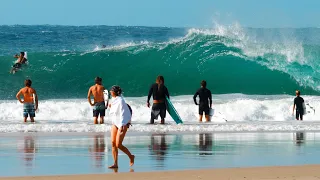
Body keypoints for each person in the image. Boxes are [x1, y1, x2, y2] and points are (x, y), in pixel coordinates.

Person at [108, 85, 134, 168]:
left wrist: (122, 124)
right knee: (113, 143)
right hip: (115, 122)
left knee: (118, 144)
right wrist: (110, 106)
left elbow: (123, 112)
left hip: (122, 123)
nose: (110, 91)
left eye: (111, 90)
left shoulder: (120, 100)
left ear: (114, 92)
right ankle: (115, 163)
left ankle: (131, 156)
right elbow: (115, 110)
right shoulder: (114, 99)